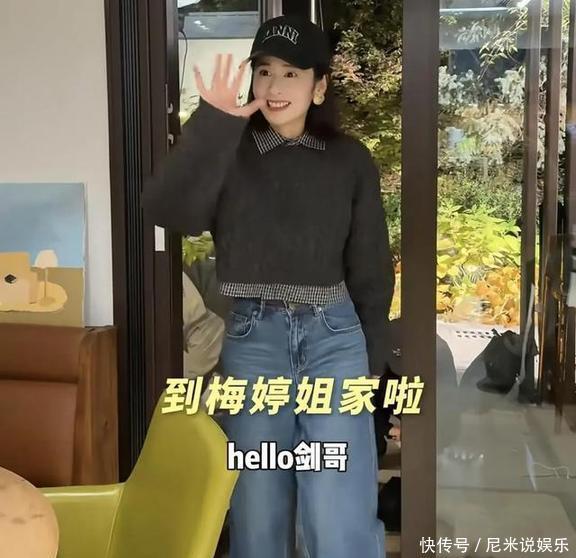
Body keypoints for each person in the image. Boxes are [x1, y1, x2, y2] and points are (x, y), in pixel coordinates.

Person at [142, 14, 395, 558]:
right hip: (254, 340)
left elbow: (371, 265)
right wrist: (212, 124)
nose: (275, 86)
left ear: (319, 86)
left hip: (334, 341)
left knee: (336, 510)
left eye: (291, 73)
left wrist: (373, 361)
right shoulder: (230, 150)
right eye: (264, 71)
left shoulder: (350, 160)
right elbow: (169, 211)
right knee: (257, 508)